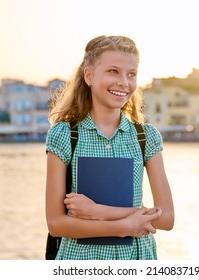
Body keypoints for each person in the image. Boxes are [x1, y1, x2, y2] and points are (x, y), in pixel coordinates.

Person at [45, 35, 174, 260]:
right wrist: (124, 226)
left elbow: (166, 219)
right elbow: (56, 224)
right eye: (113, 71)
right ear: (89, 75)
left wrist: (97, 212)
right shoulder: (64, 135)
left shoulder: (146, 137)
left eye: (131, 74)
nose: (124, 82)